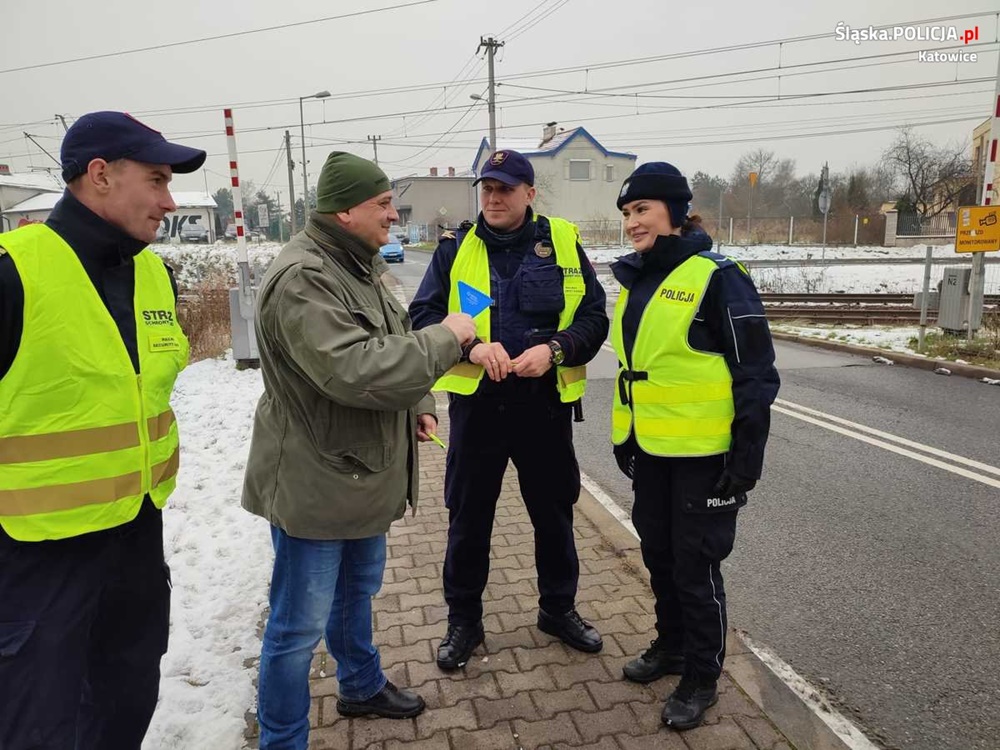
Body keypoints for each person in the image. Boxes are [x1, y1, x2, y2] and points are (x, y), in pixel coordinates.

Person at [241, 151, 477, 747]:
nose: (393, 215)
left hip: (358, 473)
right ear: (344, 209)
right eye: (381, 204)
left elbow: (389, 341)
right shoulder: (305, 276)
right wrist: (446, 338)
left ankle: (361, 685)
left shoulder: (356, 263)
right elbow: (352, 368)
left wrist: (420, 405)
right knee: (297, 628)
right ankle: (283, 738)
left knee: (356, 593)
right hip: (315, 482)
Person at [0, 111, 205, 748]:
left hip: (136, 537)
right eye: (158, 180)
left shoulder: (153, 273)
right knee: (38, 724)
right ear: (100, 176)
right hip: (39, 552)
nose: (169, 202)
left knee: (125, 701)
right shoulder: (14, 273)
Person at [408, 149, 610, 670]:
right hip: (478, 407)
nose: (494, 198)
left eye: (505, 189)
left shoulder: (563, 242)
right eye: (487, 189)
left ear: (529, 194)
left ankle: (558, 610)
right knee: (468, 517)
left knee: (554, 514)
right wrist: (471, 349)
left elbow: (593, 317)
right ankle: (464, 621)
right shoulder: (455, 248)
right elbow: (424, 314)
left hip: (543, 407)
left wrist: (556, 350)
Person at [610, 162, 780, 730]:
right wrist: (627, 436)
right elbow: (644, 370)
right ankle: (672, 647)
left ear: (677, 213)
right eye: (628, 213)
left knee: (695, 566)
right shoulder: (640, 280)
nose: (633, 222)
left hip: (708, 458)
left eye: (643, 210)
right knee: (657, 555)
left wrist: (746, 456)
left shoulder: (718, 275)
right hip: (654, 451)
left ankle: (702, 676)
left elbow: (755, 372)